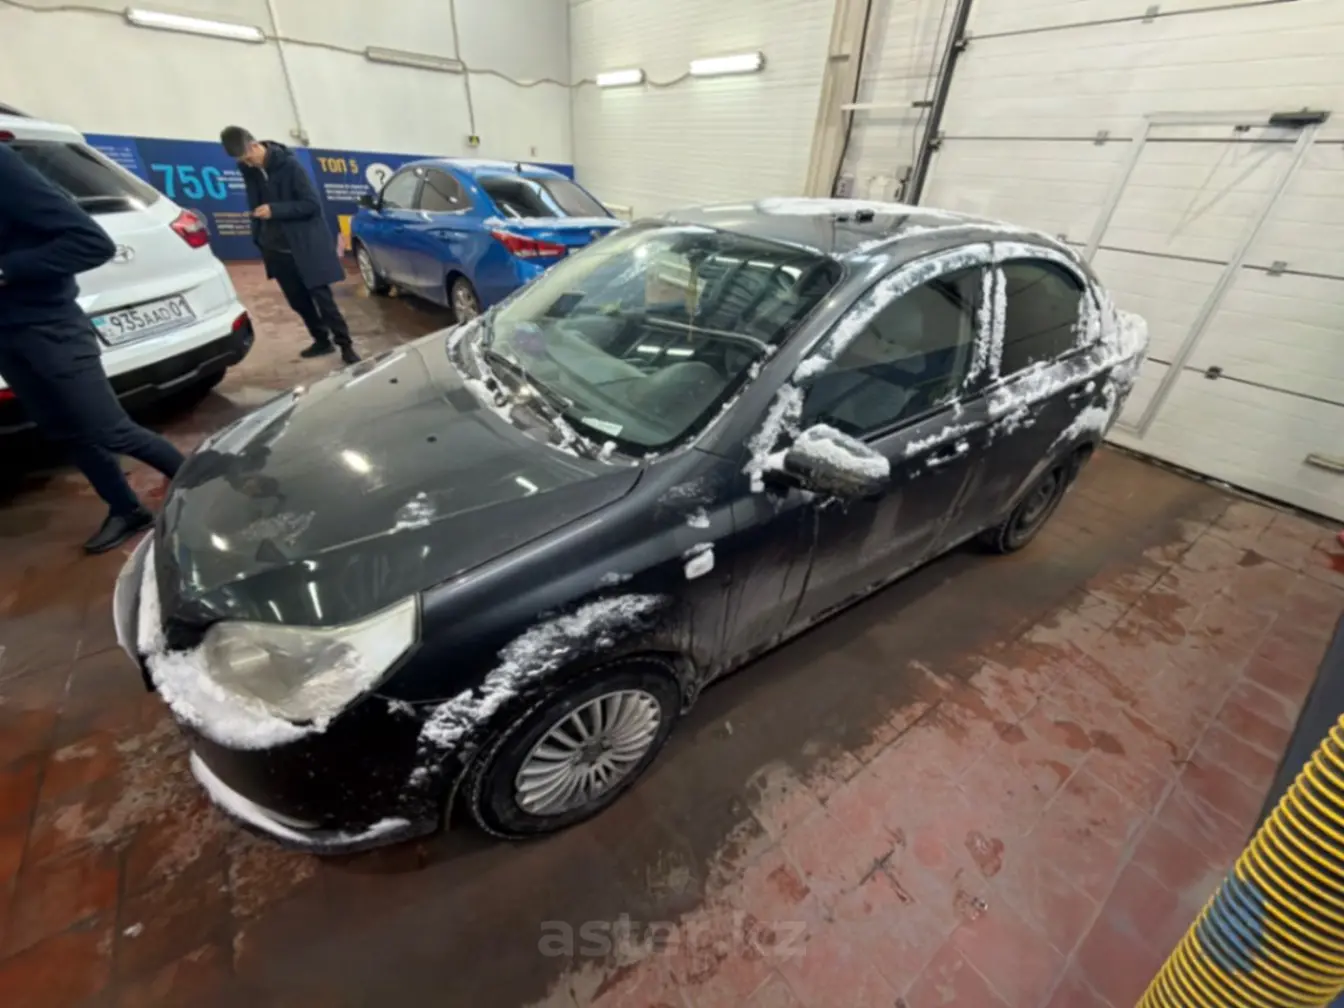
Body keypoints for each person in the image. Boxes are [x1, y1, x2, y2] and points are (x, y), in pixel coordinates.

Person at [0, 141, 186, 553]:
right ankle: (126, 509)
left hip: (50, 327)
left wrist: (6, 269)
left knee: (109, 428)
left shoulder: (3, 166)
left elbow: (91, 242)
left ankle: (205, 489)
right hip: (7, 335)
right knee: (65, 431)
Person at [220, 126, 360, 364]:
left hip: (305, 246)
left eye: (248, 157)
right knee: (298, 302)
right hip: (276, 250)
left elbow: (311, 205)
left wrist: (275, 210)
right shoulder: (249, 170)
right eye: (242, 161)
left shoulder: (290, 166)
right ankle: (321, 340)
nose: (248, 163)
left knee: (323, 300)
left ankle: (345, 345)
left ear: (255, 146)